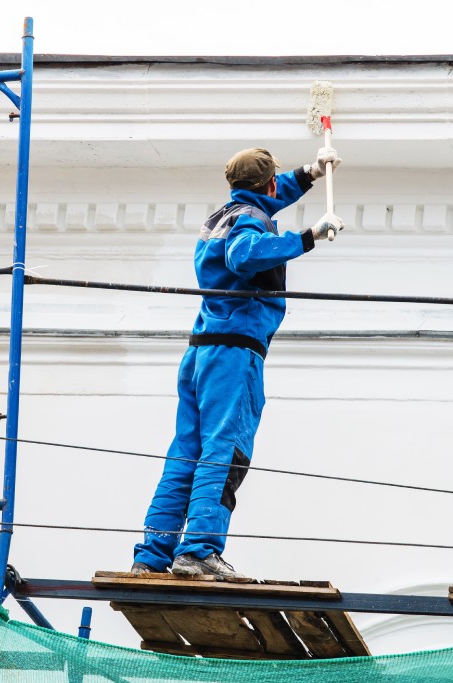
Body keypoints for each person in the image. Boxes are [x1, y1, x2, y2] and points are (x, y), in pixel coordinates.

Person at [131, 146, 343, 578]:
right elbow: (245, 255)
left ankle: (153, 555)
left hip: (200, 353)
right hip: (234, 355)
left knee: (185, 454)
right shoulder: (251, 221)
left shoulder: (223, 215)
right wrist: (308, 238)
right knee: (224, 452)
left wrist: (312, 173)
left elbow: (264, 199)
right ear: (266, 184)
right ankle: (199, 550)